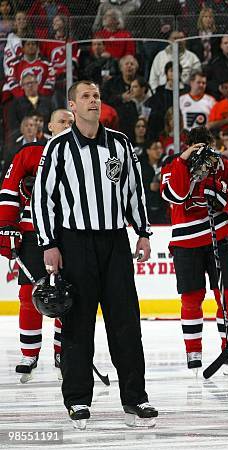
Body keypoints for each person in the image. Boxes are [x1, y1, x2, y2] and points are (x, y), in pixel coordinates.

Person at [31, 80, 157, 428]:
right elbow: (43, 199)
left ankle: (136, 399)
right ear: (72, 106)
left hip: (114, 243)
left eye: (97, 96)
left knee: (126, 324)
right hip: (74, 244)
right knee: (77, 325)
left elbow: (134, 193)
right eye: (86, 97)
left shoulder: (119, 143)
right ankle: (77, 400)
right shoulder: (57, 148)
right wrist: (49, 244)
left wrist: (143, 232)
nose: (93, 101)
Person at [160, 126, 228, 376]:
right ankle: (193, 354)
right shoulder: (172, 164)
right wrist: (184, 162)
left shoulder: (225, 165)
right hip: (185, 242)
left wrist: (222, 193)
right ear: (188, 146)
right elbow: (175, 195)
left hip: (220, 237)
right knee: (191, 299)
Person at [0, 108, 74, 383]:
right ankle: (29, 353)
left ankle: (61, 351)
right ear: (50, 127)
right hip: (32, 233)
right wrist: (7, 226)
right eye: (61, 121)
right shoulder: (30, 153)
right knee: (29, 295)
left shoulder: (85, 157)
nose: (67, 125)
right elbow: (9, 189)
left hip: (70, 235)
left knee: (67, 295)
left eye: (71, 121)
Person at [140, 140, 167, 224]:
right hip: (145, 208)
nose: (158, 151)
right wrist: (148, 186)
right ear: (148, 151)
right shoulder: (141, 167)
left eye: (160, 148)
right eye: (155, 148)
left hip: (163, 209)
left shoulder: (166, 165)